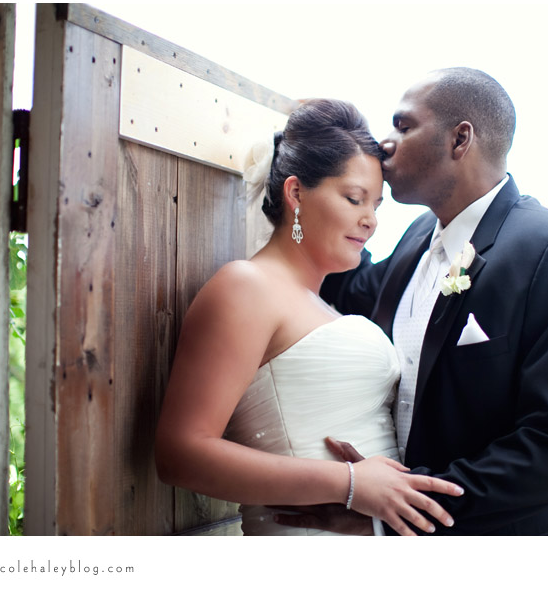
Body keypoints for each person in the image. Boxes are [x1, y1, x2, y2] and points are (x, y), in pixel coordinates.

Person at [281, 67, 548, 535]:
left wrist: (402, 505)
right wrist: (322, 166)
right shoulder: (418, 239)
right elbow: (344, 292)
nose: (384, 143)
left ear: (460, 140)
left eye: (403, 125)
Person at [154, 98, 464, 536]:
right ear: (296, 193)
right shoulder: (246, 286)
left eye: (376, 205)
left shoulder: (322, 303)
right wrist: (351, 483)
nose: (370, 220)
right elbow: (180, 453)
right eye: (355, 198)